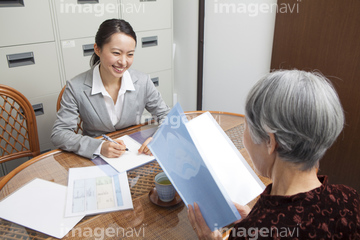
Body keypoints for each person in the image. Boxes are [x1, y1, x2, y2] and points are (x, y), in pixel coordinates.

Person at [187, 70, 360, 239]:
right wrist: (256, 219)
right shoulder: (350, 198)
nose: (244, 135)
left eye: (247, 126)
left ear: (271, 142)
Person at [51, 19, 170, 159]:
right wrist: (99, 147)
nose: (123, 62)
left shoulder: (142, 81)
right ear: (97, 49)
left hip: (135, 154)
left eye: (130, 54)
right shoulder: (75, 87)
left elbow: (168, 116)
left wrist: (158, 138)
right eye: (116, 53)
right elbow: (59, 133)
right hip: (96, 157)